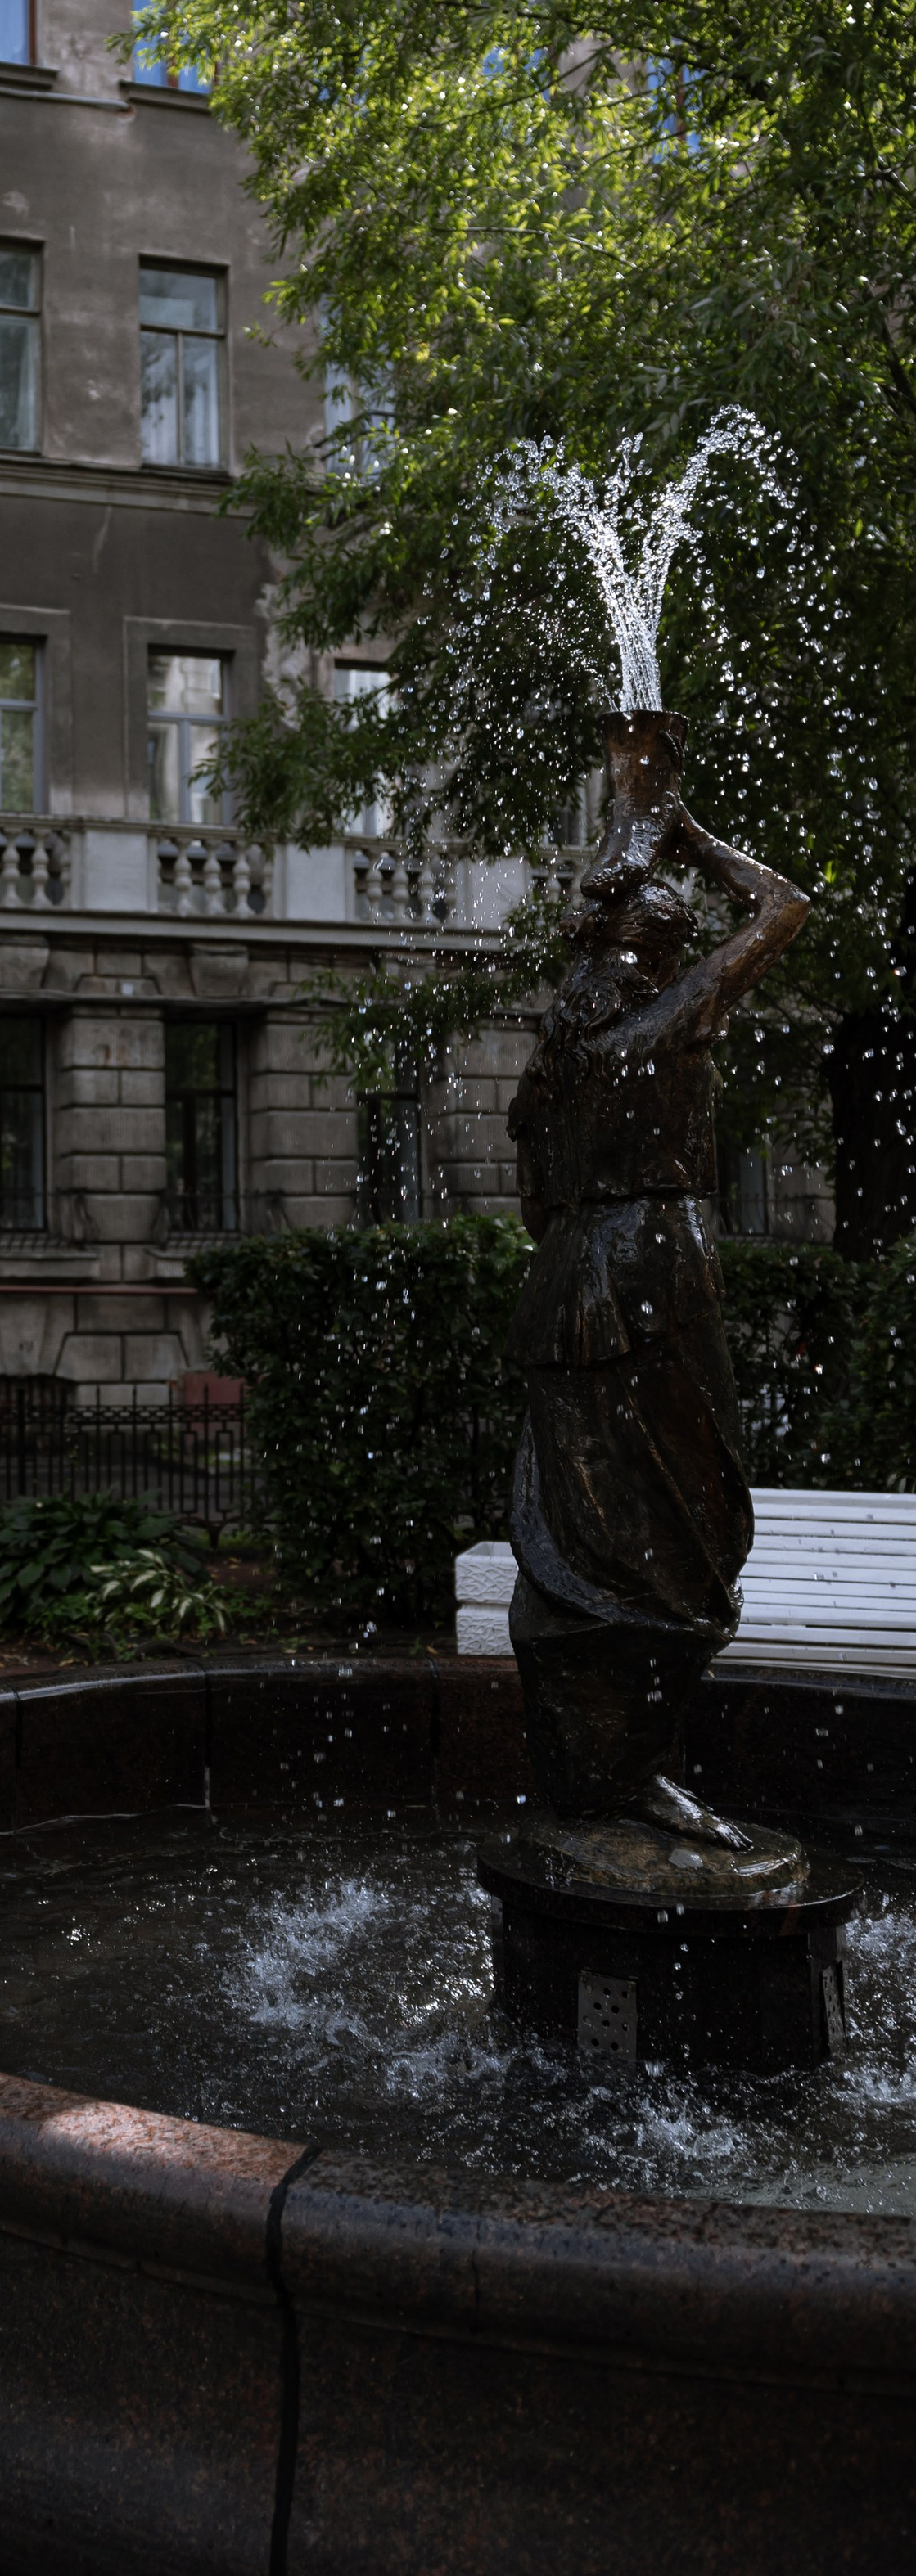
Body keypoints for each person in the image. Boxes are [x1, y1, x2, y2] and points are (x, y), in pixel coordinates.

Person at [505, 718, 809, 1836]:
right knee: (696, 1536)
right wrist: (685, 830)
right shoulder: (666, 1027)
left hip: (564, 1292)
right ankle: (624, 1782)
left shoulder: (560, 1058)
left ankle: (597, 1783)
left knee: (584, 1544)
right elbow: (782, 910)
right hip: (652, 1279)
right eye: (677, 949)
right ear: (660, 955)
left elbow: (538, 1204)